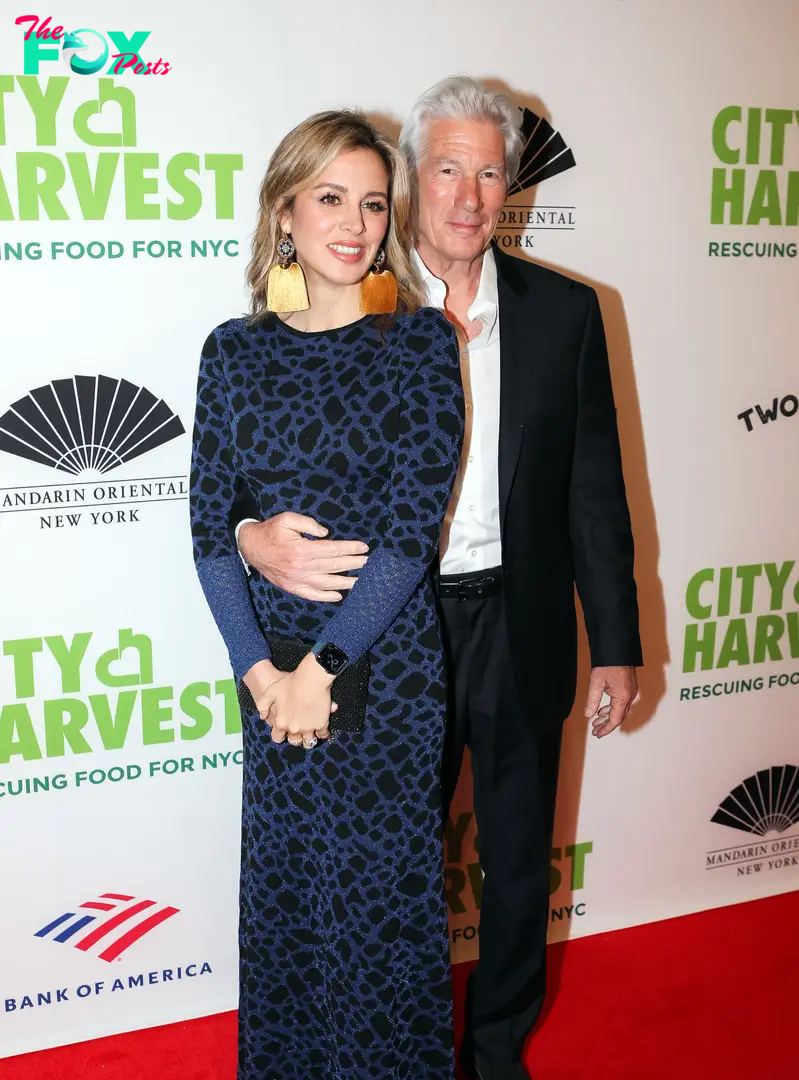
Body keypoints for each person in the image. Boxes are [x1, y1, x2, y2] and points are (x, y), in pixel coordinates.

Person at [233, 78, 642, 1080]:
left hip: (519, 620)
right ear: (412, 180)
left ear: (513, 187)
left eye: (489, 170)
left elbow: (597, 494)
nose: (466, 194)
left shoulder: (568, 314)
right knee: (383, 872)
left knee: (513, 872)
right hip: (383, 634)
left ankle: (494, 1056)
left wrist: (619, 644)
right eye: (446, 168)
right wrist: (248, 536)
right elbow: (252, 463)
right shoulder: (355, 293)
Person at [189, 109, 465, 1080]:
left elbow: (405, 537)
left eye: (374, 203)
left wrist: (321, 672)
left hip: (381, 683)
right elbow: (208, 531)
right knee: (287, 909)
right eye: (329, 198)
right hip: (269, 686)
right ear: (285, 216)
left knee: (376, 924)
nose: (354, 224)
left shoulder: (420, 342)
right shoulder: (233, 350)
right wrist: (261, 674)